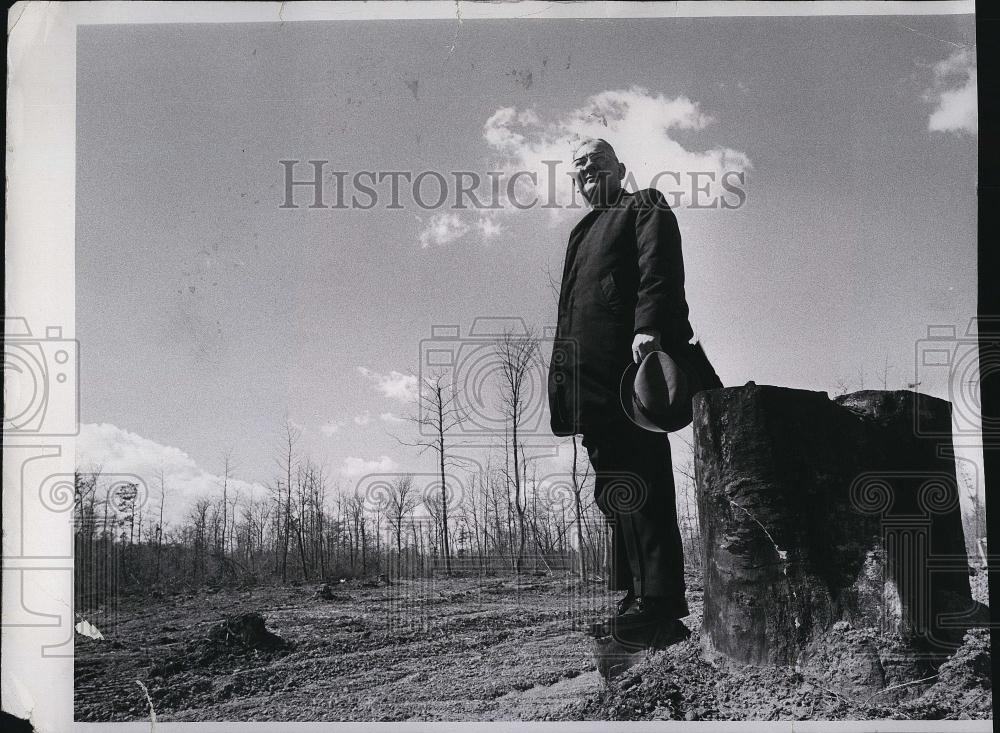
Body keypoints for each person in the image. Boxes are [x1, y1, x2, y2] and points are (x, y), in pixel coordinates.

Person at [547, 138, 698, 650]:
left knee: (643, 477)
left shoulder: (643, 204)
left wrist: (649, 325)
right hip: (587, 375)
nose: (588, 168)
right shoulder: (579, 233)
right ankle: (633, 598)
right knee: (612, 487)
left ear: (621, 168)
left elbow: (660, 268)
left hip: (628, 365)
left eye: (598, 159)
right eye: (580, 164)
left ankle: (660, 605)